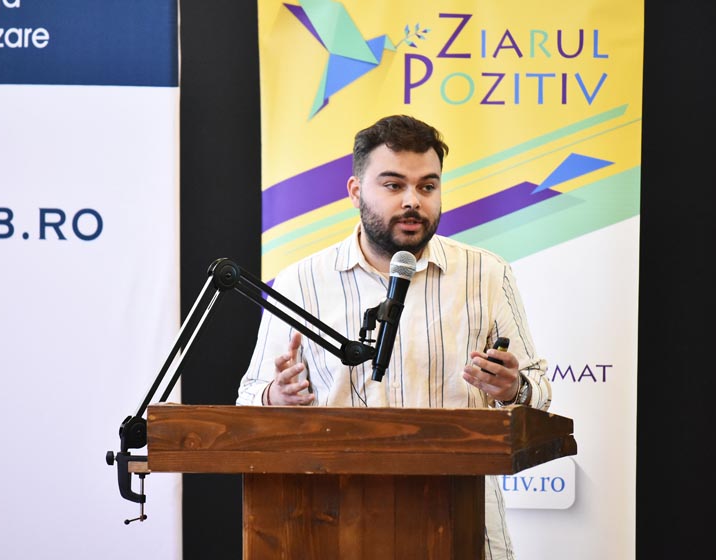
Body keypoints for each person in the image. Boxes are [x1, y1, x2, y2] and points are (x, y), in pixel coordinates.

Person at [236, 114, 551, 560]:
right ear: (355, 191)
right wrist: (275, 397)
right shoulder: (300, 282)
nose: (412, 201)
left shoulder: (486, 275)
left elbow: (540, 393)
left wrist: (512, 388)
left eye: (427, 186)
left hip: (461, 526)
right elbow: (248, 400)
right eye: (393, 185)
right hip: (333, 527)